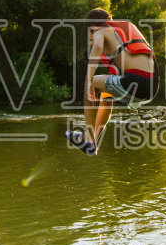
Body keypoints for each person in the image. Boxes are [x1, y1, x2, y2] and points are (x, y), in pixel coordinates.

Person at [66, 8, 155, 155]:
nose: (91, 39)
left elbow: (98, 46)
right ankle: (92, 141)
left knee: (92, 82)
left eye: (90, 35)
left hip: (136, 81)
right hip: (150, 87)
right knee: (106, 96)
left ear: (92, 28)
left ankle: (89, 139)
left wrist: (88, 81)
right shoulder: (121, 35)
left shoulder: (100, 31)